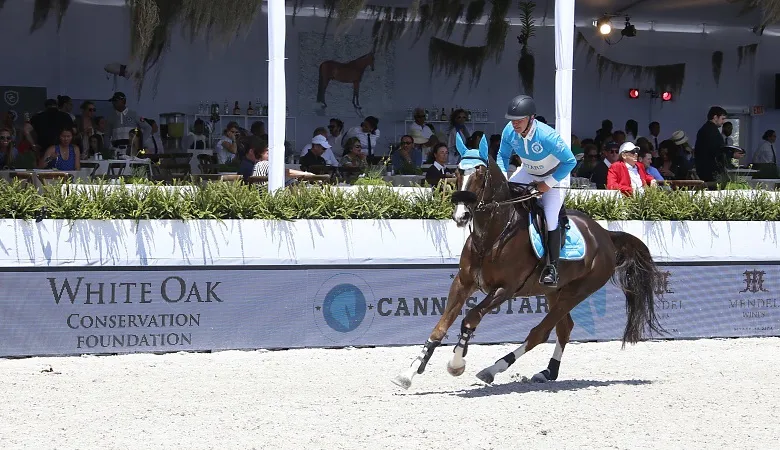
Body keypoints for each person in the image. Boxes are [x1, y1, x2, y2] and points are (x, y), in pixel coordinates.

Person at [496, 95, 576, 287]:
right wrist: (503, 178)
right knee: (503, 200)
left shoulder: (547, 136)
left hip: (553, 176)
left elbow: (570, 161)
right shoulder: (509, 131)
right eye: (512, 120)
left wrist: (547, 184)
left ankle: (552, 267)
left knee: (550, 218)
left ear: (531, 118)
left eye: (519, 120)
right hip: (527, 172)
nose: (515, 124)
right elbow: (502, 155)